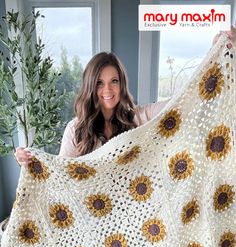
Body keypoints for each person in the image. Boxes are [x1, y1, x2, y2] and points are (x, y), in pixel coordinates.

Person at [15, 26, 236, 165]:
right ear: (90, 87)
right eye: (99, 83)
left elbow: (182, 99)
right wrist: (31, 161)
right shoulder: (76, 129)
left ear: (122, 84)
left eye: (114, 81)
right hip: (91, 219)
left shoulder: (138, 118)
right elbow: (60, 175)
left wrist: (213, 56)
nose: (108, 90)